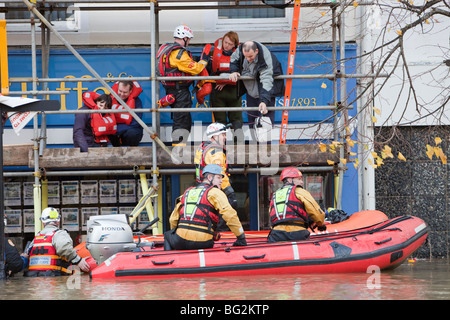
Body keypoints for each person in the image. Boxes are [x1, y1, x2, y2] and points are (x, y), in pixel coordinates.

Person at [164, 164, 246, 250]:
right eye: (218, 178)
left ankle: (169, 258)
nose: (221, 181)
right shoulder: (215, 192)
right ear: (210, 177)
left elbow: (172, 220)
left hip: (180, 241)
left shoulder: (187, 193)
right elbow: (230, 215)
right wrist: (241, 237)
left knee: (167, 235)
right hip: (203, 242)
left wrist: (177, 232)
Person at [156, 24, 209, 146]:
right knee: (182, 120)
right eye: (189, 39)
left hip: (171, 90)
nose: (189, 42)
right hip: (180, 92)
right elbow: (195, 69)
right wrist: (204, 60)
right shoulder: (178, 52)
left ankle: (179, 146)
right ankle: (178, 149)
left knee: (181, 118)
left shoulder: (166, 48)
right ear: (184, 38)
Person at [229, 41, 285, 142]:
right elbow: (233, 60)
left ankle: (267, 152)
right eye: (246, 57)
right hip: (251, 91)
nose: (248, 59)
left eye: (250, 56)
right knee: (252, 119)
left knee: (266, 122)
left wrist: (264, 101)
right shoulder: (240, 51)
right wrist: (234, 70)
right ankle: (254, 148)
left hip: (267, 91)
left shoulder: (266, 58)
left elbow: (267, 81)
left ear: (257, 51)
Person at [24, 207, 91, 277]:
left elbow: (29, 253)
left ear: (43, 222)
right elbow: (64, 249)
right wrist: (78, 260)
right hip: (52, 277)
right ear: (58, 221)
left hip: (34, 278)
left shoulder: (36, 237)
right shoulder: (59, 233)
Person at [268, 167, 326, 243]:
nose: (302, 182)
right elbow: (317, 213)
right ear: (289, 180)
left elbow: (272, 215)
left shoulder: (275, 195)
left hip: (276, 234)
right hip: (297, 233)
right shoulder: (300, 191)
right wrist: (320, 224)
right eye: (298, 179)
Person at [210, 31, 244, 143]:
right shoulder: (213, 51)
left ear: (235, 45)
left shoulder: (241, 54)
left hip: (234, 92)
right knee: (220, 124)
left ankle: (239, 151)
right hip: (218, 93)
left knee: (237, 121)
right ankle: (220, 151)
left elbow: (243, 73)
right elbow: (207, 71)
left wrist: (224, 81)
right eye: (225, 42)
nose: (226, 45)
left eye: (230, 44)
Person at [194, 122, 237, 209]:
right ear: (214, 136)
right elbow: (220, 174)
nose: (225, 137)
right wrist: (229, 192)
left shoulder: (202, 148)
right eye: (223, 135)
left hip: (201, 189)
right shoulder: (216, 152)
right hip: (213, 190)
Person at [109, 80, 144, 147]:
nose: (122, 94)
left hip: (129, 129)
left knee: (132, 134)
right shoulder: (110, 98)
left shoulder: (137, 101)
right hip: (114, 130)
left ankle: (132, 153)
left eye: (125, 92)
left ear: (130, 91)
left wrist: (117, 130)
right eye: (120, 91)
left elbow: (135, 122)